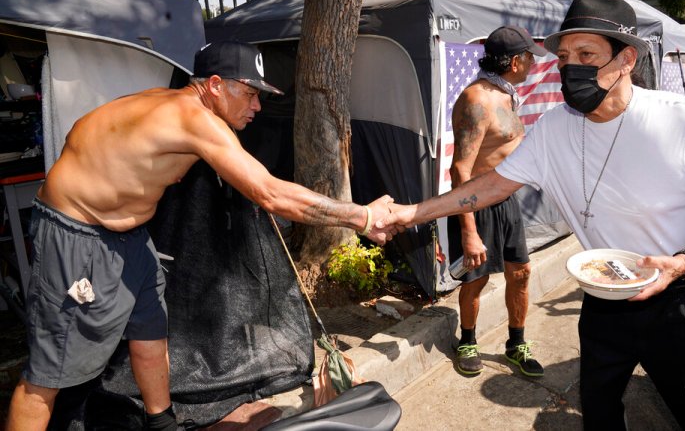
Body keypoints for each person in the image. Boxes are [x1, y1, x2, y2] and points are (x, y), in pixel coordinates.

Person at [382, 0, 685, 430]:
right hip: (606, 294)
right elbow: (492, 185)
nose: (569, 67)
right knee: (598, 410)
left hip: (684, 298)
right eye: (562, 57)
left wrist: (682, 262)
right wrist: (411, 213)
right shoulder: (556, 126)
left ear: (626, 58)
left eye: (586, 55)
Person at [5, 41, 394, 431]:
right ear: (214, 85)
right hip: (76, 235)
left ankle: (162, 424)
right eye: (250, 93)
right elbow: (270, 193)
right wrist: (362, 216)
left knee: (150, 331)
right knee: (48, 374)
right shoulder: (194, 118)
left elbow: (86, 132)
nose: (257, 106)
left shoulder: (171, 104)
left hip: (130, 237)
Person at [447, 26, 547, 376]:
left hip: (504, 200)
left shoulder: (505, 94)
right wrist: (469, 232)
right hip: (474, 203)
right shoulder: (478, 100)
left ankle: (516, 344)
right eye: (531, 57)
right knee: (476, 279)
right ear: (516, 60)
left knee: (520, 273)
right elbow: (459, 170)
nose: (534, 63)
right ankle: (468, 340)